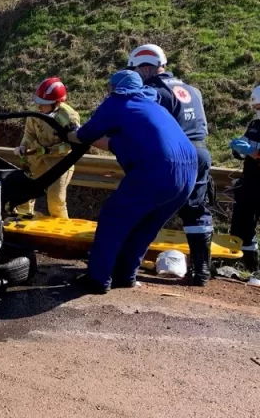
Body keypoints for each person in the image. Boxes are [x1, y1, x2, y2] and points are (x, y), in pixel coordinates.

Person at [65, 70, 197, 294]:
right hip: (189, 170)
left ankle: (97, 279)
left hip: (157, 169)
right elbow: (119, 143)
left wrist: (70, 134)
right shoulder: (153, 107)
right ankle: (125, 275)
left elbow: (86, 134)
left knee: (113, 218)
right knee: (146, 225)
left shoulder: (118, 102)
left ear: (115, 88)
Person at [127, 44, 214, 286]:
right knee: (196, 210)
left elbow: (145, 125)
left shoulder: (153, 91)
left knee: (144, 206)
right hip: (200, 150)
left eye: (136, 69)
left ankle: (126, 266)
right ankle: (202, 271)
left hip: (172, 154)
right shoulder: (192, 89)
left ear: (145, 67)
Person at [14, 77, 80, 218]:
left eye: (43, 104)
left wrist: (51, 150)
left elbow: (72, 145)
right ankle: (22, 225)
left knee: (55, 199)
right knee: (24, 192)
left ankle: (60, 234)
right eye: (38, 103)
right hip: (37, 157)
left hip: (61, 161)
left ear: (56, 103)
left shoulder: (69, 118)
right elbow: (29, 133)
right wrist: (23, 146)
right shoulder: (35, 112)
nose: (39, 107)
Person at [228, 85, 260, 274]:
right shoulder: (255, 125)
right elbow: (244, 147)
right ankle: (250, 269)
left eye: (258, 107)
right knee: (242, 227)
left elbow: (254, 152)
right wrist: (239, 150)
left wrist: (254, 152)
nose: (256, 110)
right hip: (250, 183)